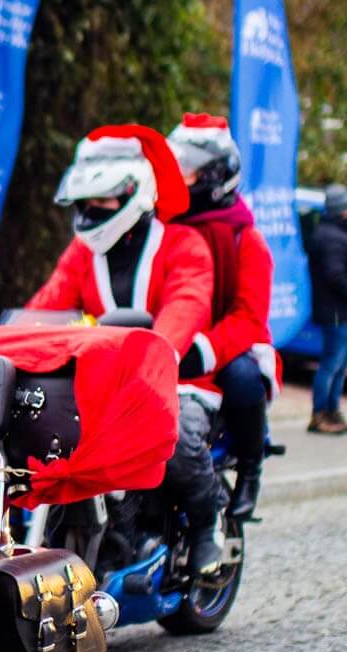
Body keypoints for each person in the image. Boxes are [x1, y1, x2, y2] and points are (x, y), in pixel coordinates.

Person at [29, 125, 225, 576]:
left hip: (176, 380)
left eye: (102, 201)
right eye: (85, 204)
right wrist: (11, 340)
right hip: (101, 385)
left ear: (134, 195)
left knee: (176, 442)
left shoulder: (183, 245)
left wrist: (157, 353)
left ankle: (207, 526)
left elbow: (187, 304)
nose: (90, 212)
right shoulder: (82, 253)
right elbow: (48, 304)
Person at [165, 114, 278, 519]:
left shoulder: (246, 239)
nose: (177, 178)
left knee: (244, 379)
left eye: (187, 170)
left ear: (215, 176)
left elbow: (249, 317)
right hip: (168, 337)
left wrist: (205, 349)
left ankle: (251, 466)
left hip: (223, 344)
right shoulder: (162, 226)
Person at [307, 184, 347, 435]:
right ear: (343, 209)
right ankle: (320, 413)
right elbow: (334, 275)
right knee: (331, 363)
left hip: (342, 310)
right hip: (335, 309)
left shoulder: (340, 233)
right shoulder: (331, 237)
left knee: (340, 364)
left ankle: (332, 410)